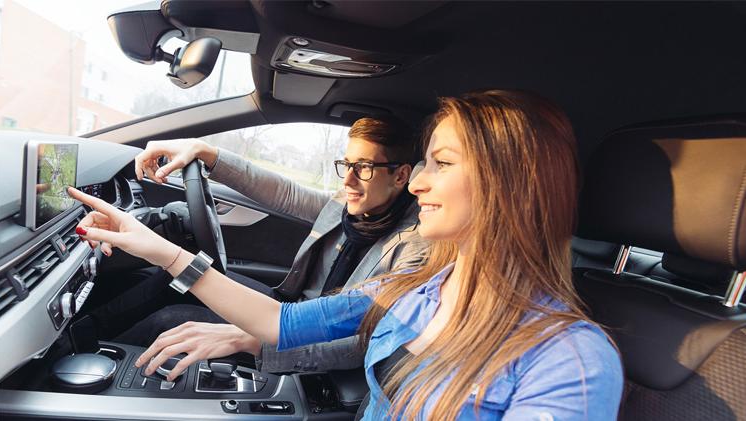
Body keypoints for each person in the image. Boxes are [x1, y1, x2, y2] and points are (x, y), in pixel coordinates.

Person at [69, 90, 623, 420]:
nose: (419, 186)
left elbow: (317, 341)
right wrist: (161, 249)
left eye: (441, 164)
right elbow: (280, 320)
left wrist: (243, 339)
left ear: (510, 184)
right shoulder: (425, 285)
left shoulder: (571, 359)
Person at [88, 116, 428, 374]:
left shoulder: (416, 247)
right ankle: (86, 337)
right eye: (347, 165)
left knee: (170, 320)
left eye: (364, 167)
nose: (349, 179)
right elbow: (286, 194)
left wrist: (254, 341)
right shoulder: (354, 202)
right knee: (179, 280)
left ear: (401, 176)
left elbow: (362, 343)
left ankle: (91, 369)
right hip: (286, 308)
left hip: (306, 340)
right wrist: (208, 153)